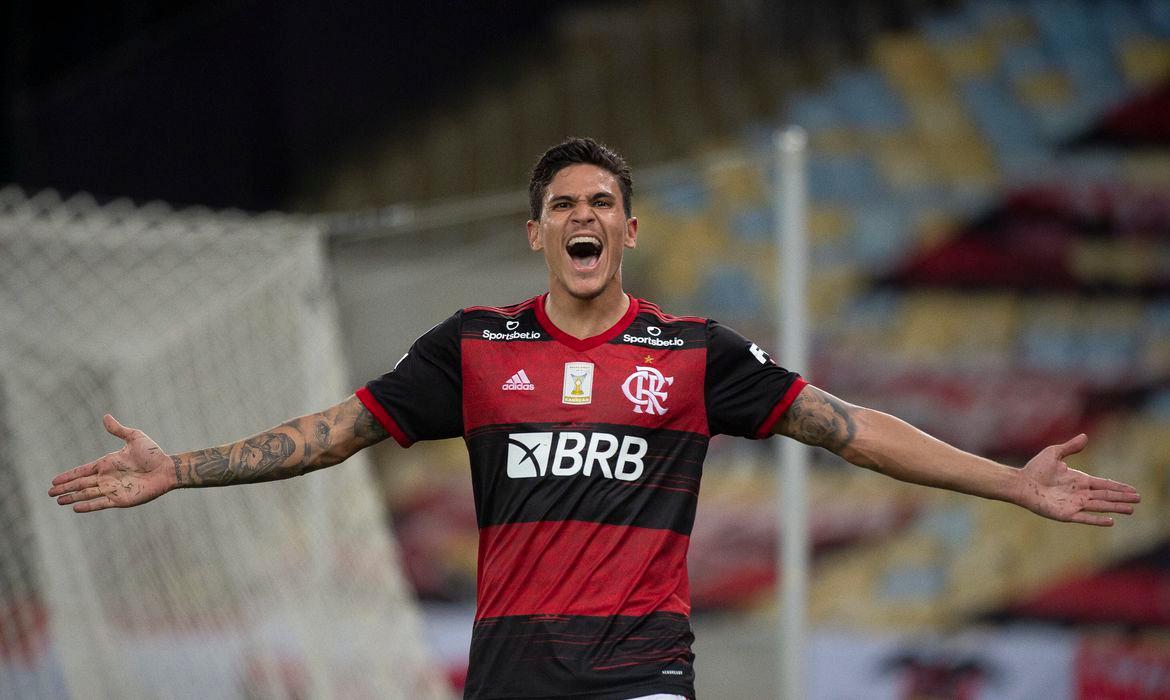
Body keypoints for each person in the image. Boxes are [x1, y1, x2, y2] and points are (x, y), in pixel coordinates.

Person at [49, 137, 1140, 700]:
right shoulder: (473, 347)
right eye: (563, 204)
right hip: (515, 668)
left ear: (629, 229)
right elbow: (335, 430)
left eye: (600, 203)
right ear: (537, 234)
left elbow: (851, 426)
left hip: (641, 665)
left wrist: (1008, 480)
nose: (582, 216)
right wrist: (180, 466)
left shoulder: (695, 354)